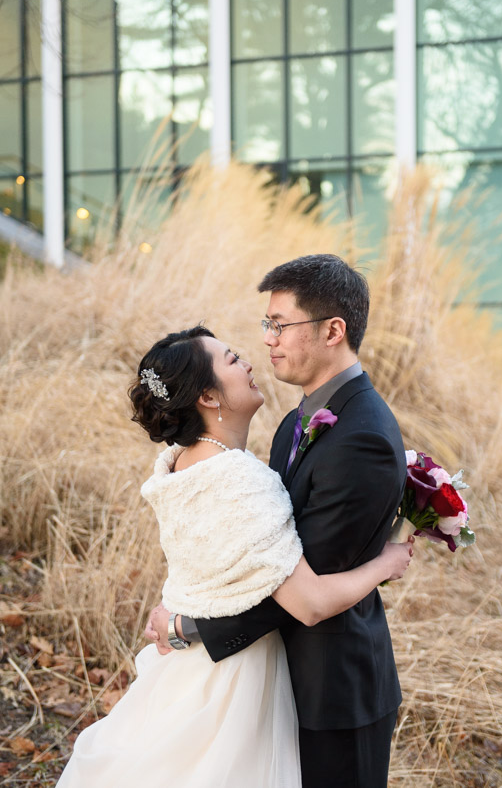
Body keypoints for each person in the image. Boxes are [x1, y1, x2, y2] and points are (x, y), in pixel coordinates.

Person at [56, 325, 413, 787]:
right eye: (232, 360)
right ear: (208, 396)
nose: (248, 362)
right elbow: (310, 603)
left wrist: (181, 621)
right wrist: (387, 562)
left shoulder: (183, 464)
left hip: (183, 672)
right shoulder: (241, 481)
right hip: (236, 682)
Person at [148, 255, 409, 788]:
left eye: (280, 325)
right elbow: (259, 555)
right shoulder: (294, 419)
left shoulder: (363, 437)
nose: (267, 339)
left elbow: (301, 590)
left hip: (332, 694)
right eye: (267, 325)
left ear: (333, 330)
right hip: (273, 681)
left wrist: (188, 627)